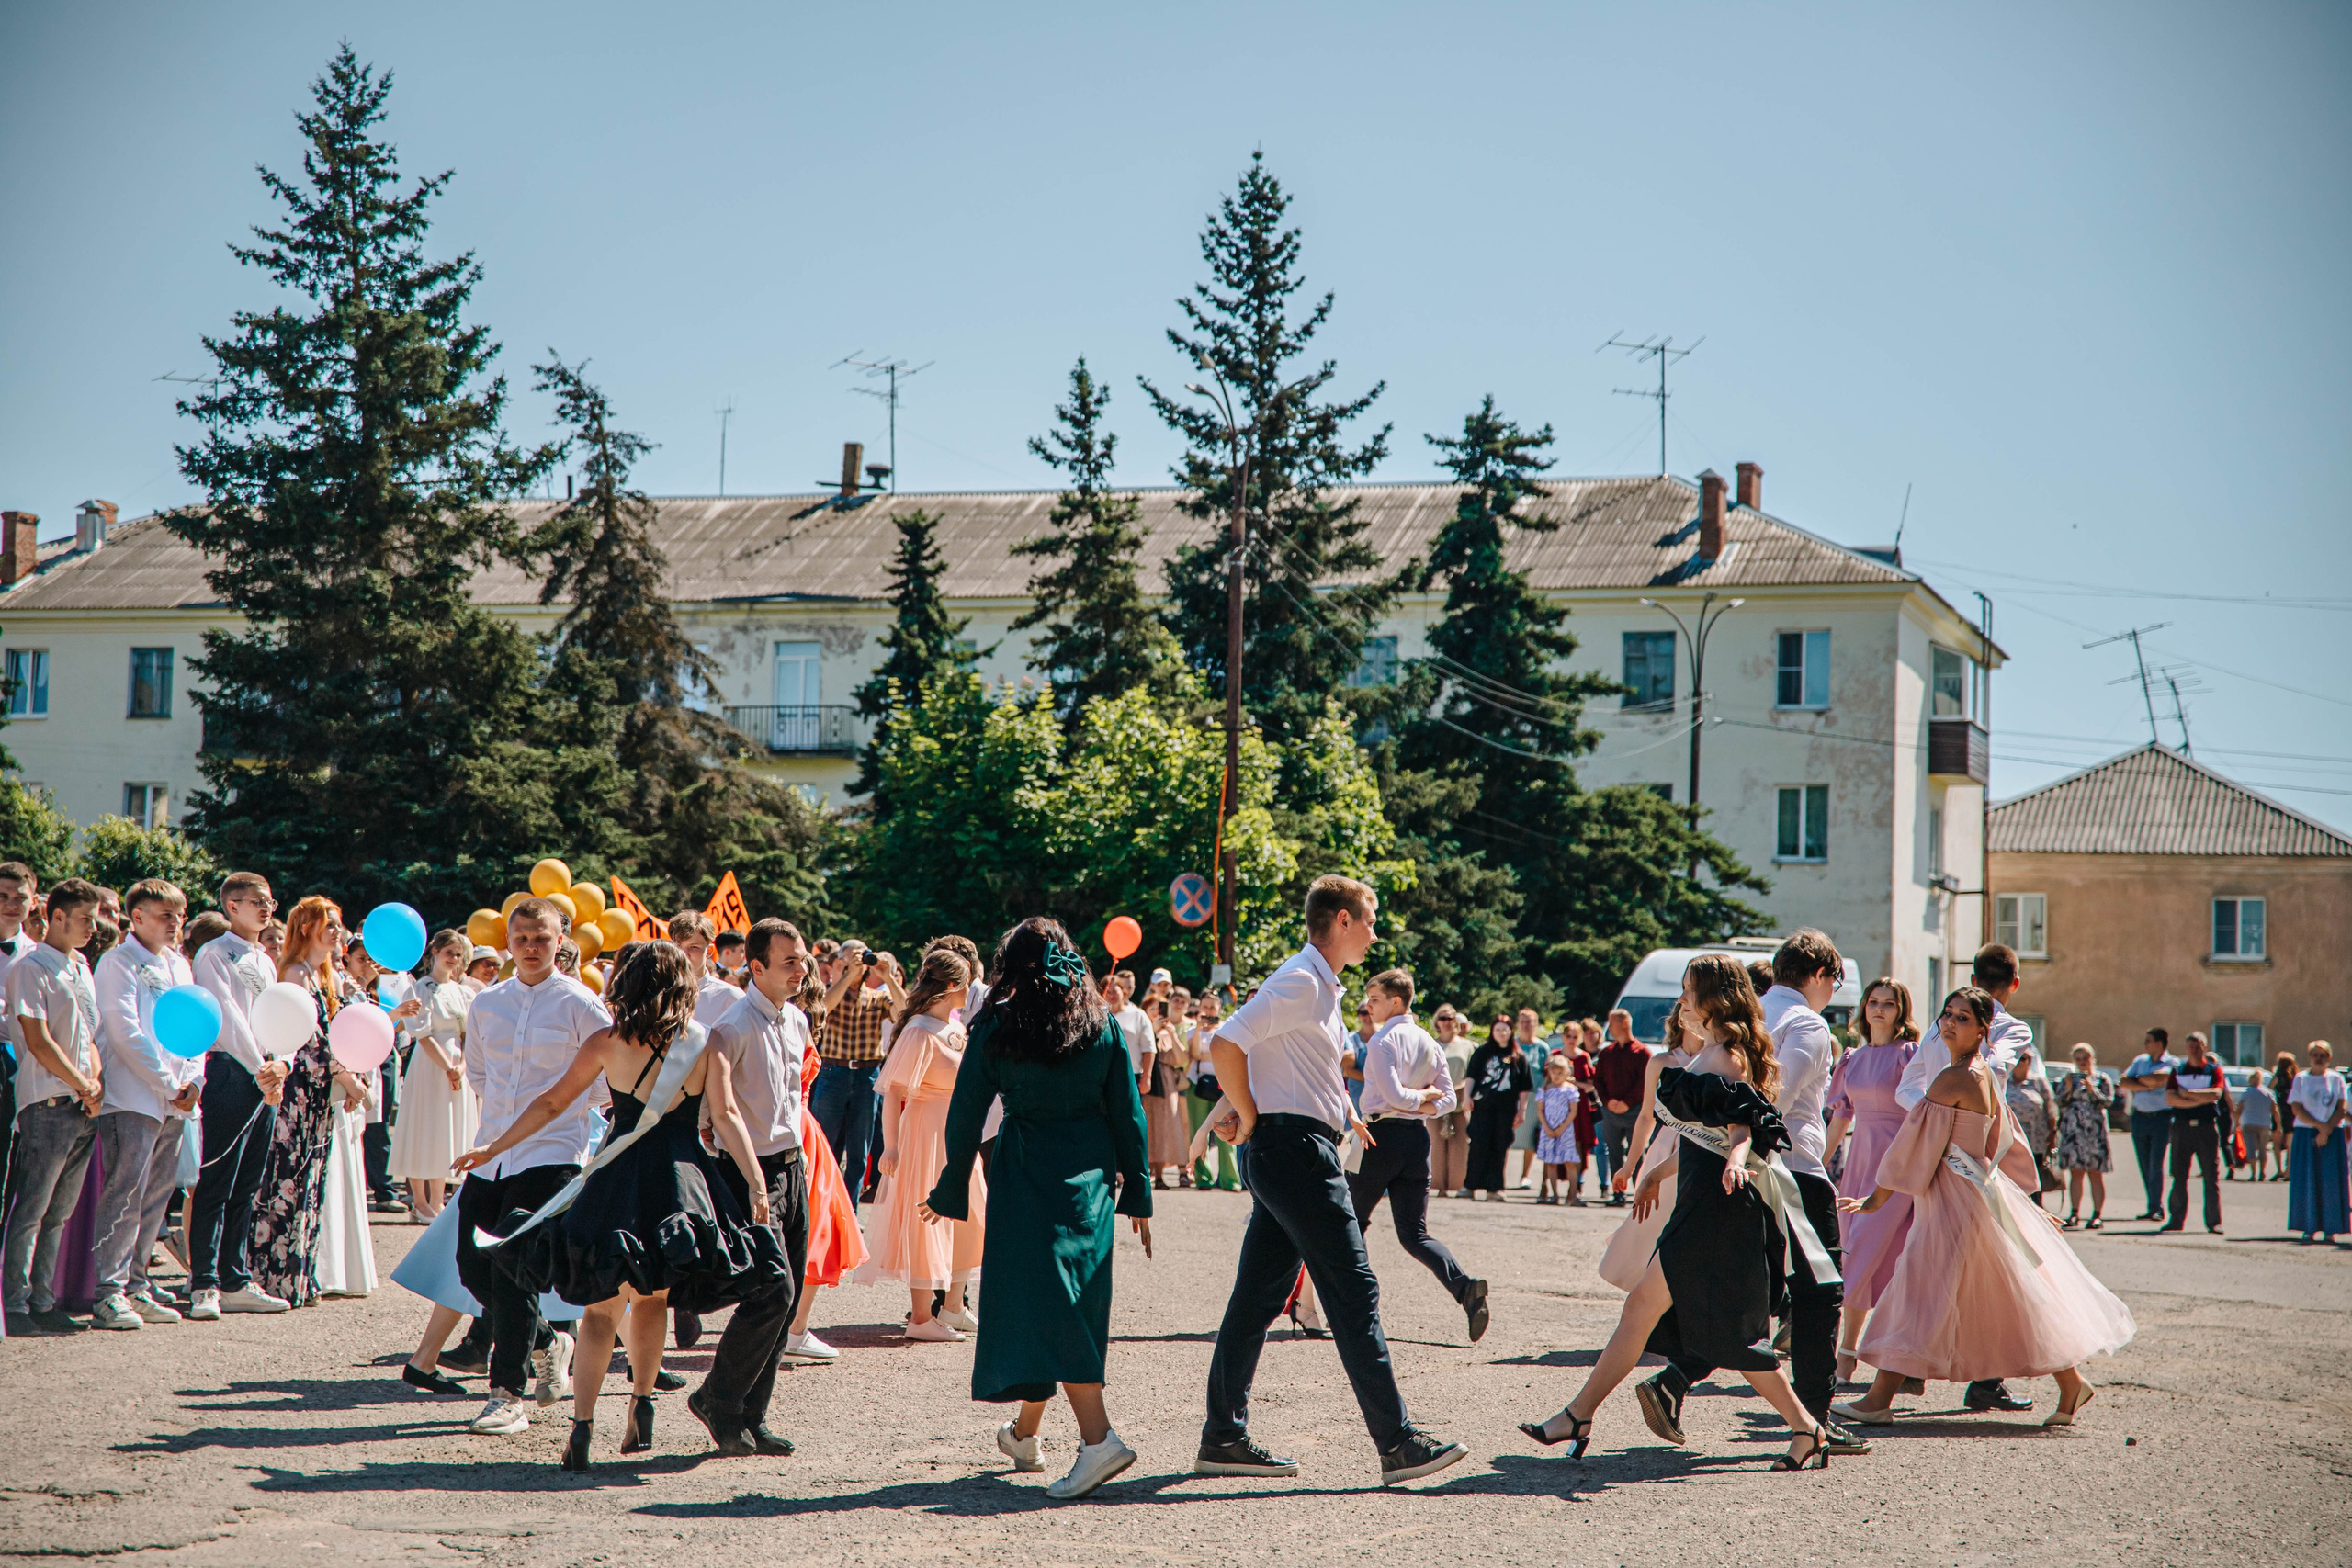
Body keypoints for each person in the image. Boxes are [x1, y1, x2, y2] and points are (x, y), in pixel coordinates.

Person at [456, 940, 786, 1470]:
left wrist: (495, 1145)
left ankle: (582, 1429)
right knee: (653, 1301)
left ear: (625, 983)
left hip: (614, 1176)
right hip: (679, 1181)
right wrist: (757, 1184)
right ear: (684, 985)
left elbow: (552, 1102)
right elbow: (725, 1117)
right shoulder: (705, 1044)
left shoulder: (607, 1042)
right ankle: (641, 1404)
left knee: (599, 1312)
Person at [1197, 874, 1467, 1486]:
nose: (1375, 930)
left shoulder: (1319, 985)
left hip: (1293, 1149)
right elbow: (1225, 1040)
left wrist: (1338, 1109)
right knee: (1353, 1291)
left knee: (1258, 1298)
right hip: (1294, 1153)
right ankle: (1397, 1443)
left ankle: (1222, 1435)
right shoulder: (1300, 979)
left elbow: (1291, 1061)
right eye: (1370, 918)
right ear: (1341, 920)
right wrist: (1248, 1106)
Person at [1518, 953, 1834, 1471]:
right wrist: (1654, 1174)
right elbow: (1697, 1140)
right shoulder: (1709, 1050)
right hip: (1697, 1197)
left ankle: (1806, 1427)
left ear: (1712, 996)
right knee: (1644, 1308)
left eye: (1689, 988)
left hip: (1719, 1208)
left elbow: (1741, 1129)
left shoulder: (1731, 1056)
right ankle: (1579, 1413)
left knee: (1727, 1337)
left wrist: (1734, 1158)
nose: (1682, 998)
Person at [921, 917, 1154, 1500]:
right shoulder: (1103, 1022)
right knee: (1057, 1296)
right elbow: (1128, 1112)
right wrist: (1139, 1193)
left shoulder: (997, 1022)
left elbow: (966, 1111)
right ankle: (1025, 1435)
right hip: (1092, 1178)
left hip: (1024, 1173)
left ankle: (1099, 1440)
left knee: (1044, 1299)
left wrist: (952, 1185)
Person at [1831, 988, 2136, 1428]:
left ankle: (1879, 1398)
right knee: (2005, 1292)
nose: (1950, 1023)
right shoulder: (1978, 1074)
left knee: (1919, 1286)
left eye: (1963, 1017)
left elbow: (1917, 1142)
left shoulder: (1956, 1078)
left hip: (1954, 1198)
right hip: (1967, 1194)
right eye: (1947, 1015)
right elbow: (1996, 1144)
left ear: (1982, 1030)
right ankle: (2071, 1383)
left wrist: (1878, 1198)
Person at [1638, 931, 1857, 1453]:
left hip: (1738, 1168)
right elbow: (1766, 1106)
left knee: (1756, 1294)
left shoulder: (1750, 1014)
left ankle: (1674, 1380)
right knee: (1818, 1294)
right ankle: (1815, 1419)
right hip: (1791, 1171)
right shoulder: (1806, 1023)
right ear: (1823, 976)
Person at [455, 897, 613, 1438]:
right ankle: (549, 1341)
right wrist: (498, 1133)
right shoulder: (487, 1004)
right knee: (472, 1267)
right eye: (521, 937)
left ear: (561, 939)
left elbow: (600, 1085)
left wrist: (553, 1123)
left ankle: (506, 1395)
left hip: (551, 1155)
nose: (530, 947)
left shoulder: (582, 1005)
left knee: (514, 1268)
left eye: (541, 938)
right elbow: (477, 1072)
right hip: (490, 1153)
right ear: (507, 940)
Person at [692, 917, 818, 1456]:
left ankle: (749, 1414)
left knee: (786, 1303)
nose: (802, 969)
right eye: (790, 961)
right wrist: (755, 1183)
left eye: (804, 959)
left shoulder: (797, 1021)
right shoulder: (731, 1026)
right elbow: (718, 1112)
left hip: (793, 1167)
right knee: (771, 1291)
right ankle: (717, 1401)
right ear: (757, 967)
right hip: (750, 1175)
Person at [1897, 943, 2035, 1415]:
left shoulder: (1951, 1025)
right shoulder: (1995, 1028)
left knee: (1968, 1262)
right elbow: (1991, 1072)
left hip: (1958, 1149)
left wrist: (1932, 1117)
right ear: (2014, 983)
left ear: (1975, 975)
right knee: (1972, 1263)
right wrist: (1941, 1119)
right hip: (1964, 1151)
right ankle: (1913, 1364)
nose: (1953, 1023)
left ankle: (1922, 1366)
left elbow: (1910, 1087)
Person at [85, 879, 205, 1329]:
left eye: (179, 915)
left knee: (156, 1196)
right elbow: (124, 1030)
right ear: (136, 918)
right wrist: (167, 1082)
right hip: (132, 1096)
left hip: (175, 1101)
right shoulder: (118, 962)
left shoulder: (180, 965)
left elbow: (197, 1027)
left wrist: (193, 1079)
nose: (175, 924)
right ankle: (108, 1292)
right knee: (124, 1194)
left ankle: (138, 1284)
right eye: (164, 915)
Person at [1346, 968, 1486, 1340]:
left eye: (1374, 999)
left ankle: (1358, 1308)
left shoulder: (1381, 1041)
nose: (1368, 1006)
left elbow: (1395, 1097)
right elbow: (1449, 1100)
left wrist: (1417, 1100)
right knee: (1415, 1234)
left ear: (1395, 1001)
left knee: (1349, 1221)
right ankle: (1465, 1288)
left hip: (1378, 1138)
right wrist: (1425, 1103)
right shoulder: (1427, 1039)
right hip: (1415, 1141)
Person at [249, 896, 370, 1308]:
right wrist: (347, 1080)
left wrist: (349, 1080)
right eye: (330, 924)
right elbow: (309, 1041)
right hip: (297, 1089)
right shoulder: (294, 973)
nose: (338, 932)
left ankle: (301, 1274)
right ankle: (275, 1274)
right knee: (287, 1177)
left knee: (311, 1181)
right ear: (307, 928)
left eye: (339, 925)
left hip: (319, 1093)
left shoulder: (326, 976)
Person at [858, 949, 985, 1338]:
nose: (972, 989)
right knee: (925, 1218)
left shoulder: (955, 1026)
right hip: (925, 1131)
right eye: (966, 982)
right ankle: (920, 1318)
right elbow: (894, 1094)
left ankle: (952, 1307)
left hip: (956, 1130)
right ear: (950, 986)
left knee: (973, 1214)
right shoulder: (917, 1031)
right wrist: (891, 1148)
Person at [186, 872, 294, 1319]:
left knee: (248, 1185)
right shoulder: (215, 954)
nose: (266, 908)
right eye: (256, 901)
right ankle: (204, 1284)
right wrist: (260, 1068)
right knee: (217, 1181)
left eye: (269, 900)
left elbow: (279, 1015)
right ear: (232, 906)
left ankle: (235, 1279)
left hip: (264, 1076)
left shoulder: (265, 959)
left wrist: (280, 1062)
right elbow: (226, 1016)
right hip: (232, 1073)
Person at [3, 877, 107, 1335]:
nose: (93, 927)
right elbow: (37, 1038)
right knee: (32, 1208)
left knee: (58, 1212)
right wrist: (82, 1082)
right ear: (56, 917)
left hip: (82, 1101)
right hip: (47, 1099)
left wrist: (95, 1083)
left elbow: (89, 1034)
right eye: (85, 918)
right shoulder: (30, 966)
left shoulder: (81, 966)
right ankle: (15, 1304)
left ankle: (44, 1300)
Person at [1822, 977, 1920, 1384]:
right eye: (1874, 1002)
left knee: (1881, 1259)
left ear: (1901, 1011)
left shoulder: (1909, 1054)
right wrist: (1821, 1164)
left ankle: (1850, 1355)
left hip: (1898, 1164)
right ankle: (1904, 1363)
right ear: (1863, 1008)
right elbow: (1841, 1116)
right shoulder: (1852, 1058)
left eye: (1889, 1004)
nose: (1879, 1009)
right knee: (1861, 1257)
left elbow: (1922, 1115)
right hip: (1859, 1164)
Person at [1598, 997, 1696, 1292]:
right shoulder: (1660, 1062)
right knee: (1651, 1226)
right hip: (1664, 1147)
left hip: (1703, 1148)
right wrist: (1629, 1166)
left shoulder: (1722, 1057)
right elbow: (1645, 1117)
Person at [390, 931, 478, 1222]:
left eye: (458, 954)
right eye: (448, 952)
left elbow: (467, 1034)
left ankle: (437, 1200)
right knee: (423, 1127)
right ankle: (419, 1201)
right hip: (430, 1066)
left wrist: (461, 1067)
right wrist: (447, 1067)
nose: (453, 959)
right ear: (435, 953)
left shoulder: (463, 991)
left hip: (456, 1065)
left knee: (445, 1130)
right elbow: (422, 1034)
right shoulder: (420, 989)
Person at [807, 941, 901, 1203]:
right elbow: (823, 1009)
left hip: (867, 1076)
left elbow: (905, 1013)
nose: (858, 964)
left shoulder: (879, 997)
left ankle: (849, 1211)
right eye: (850, 959)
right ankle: (820, 1209)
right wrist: (849, 975)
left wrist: (888, 977)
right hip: (833, 1072)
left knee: (859, 1153)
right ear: (839, 962)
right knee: (824, 1146)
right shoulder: (828, 992)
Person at [2160, 1032, 2226, 1233]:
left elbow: (2215, 1094)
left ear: (2205, 1047)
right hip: (2182, 1127)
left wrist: (2188, 1094)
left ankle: (2213, 1221)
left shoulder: (2213, 1070)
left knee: (2210, 1176)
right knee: (2179, 1175)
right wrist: (2199, 1099)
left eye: (2198, 1046)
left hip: (2206, 1127)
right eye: (2191, 1046)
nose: (2194, 1050)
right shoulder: (2178, 1070)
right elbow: (2171, 1099)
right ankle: (2176, 1219)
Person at [0, 862, 40, 1193]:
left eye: (20, 897)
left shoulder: (38, 957)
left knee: (9, 1159)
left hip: (15, 1063)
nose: (12, 904)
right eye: (2, 896)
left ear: (34, 902)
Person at [1464, 1015, 1531, 1201]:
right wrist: (1466, 1097)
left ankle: (1496, 1188)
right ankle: (1470, 1185)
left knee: (1500, 1146)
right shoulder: (1482, 1052)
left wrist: (1522, 1110)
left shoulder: (1518, 1056)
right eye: (1498, 1029)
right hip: (1482, 1106)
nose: (1501, 1033)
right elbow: (1471, 1077)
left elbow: (1525, 1087)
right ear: (1492, 1031)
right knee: (1478, 1145)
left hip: (1506, 1109)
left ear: (1511, 1031)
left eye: (1505, 1029)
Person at [2285, 1041, 2346, 1243]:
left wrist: (2327, 1129)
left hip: (2332, 1134)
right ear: (2309, 1057)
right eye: (2315, 1055)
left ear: (2329, 1058)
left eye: (2323, 1055)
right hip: (2306, 1133)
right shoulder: (2301, 1079)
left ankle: (2331, 1228)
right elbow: (2296, 1106)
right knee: (2307, 1179)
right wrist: (2319, 1127)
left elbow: (2341, 1106)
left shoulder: (2337, 1079)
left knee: (2330, 1182)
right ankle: (2308, 1227)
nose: (2318, 1059)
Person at [2120, 1028, 2180, 1224]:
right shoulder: (2141, 1061)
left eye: (2149, 1040)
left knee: (2156, 1164)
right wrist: (2146, 1084)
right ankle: (2152, 1204)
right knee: (2145, 1164)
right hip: (2140, 1118)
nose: (2145, 1044)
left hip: (2161, 1118)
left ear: (2160, 1043)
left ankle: (2157, 1207)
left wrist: (2140, 1081)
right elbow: (2123, 1081)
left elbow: (2160, 1079)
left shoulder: (2172, 1063)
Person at [1592, 1010, 1647, 1208]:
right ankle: (1618, 1194)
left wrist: (1628, 1102)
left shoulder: (1642, 1053)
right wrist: (1607, 1101)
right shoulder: (1607, 1053)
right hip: (1611, 1112)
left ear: (1624, 1023)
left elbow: (1645, 1083)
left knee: (1637, 1153)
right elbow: (1597, 1080)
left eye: (1612, 1023)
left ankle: (1640, 1193)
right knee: (1614, 1153)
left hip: (1635, 1112)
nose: (1609, 1027)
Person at [1186, 992, 1240, 1193]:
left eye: (1212, 1007)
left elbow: (1229, 1055)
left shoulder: (1228, 1028)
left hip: (1223, 1085)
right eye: (1205, 1006)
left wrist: (1206, 1054)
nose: (1209, 1010)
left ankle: (1231, 1179)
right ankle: (1203, 1178)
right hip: (1198, 1084)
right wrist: (1200, 1029)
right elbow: (1193, 1054)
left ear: (1219, 1008)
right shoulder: (1193, 1031)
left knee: (1227, 1130)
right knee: (1198, 1129)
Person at [2055, 1044, 2114, 1228]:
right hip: (2074, 1133)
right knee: (2076, 1174)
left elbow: (2107, 1101)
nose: (2082, 1063)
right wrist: (2067, 1088)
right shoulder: (2069, 1079)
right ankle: (2074, 1213)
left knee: (2095, 1175)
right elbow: (2060, 1102)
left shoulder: (2102, 1078)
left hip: (2094, 1134)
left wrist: (2091, 1088)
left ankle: (2097, 1214)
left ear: (2092, 1059)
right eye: (2078, 1059)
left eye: (2085, 1058)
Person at [1427, 1005, 1474, 1200]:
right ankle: (1438, 1186)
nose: (1447, 1022)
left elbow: (1472, 1073)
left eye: (1450, 1018)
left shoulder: (1468, 1046)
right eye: (1443, 1018)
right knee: (1435, 1145)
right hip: (1434, 1102)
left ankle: (1455, 1185)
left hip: (1459, 1101)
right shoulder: (1429, 1044)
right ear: (1437, 1021)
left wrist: (1459, 1088)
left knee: (1460, 1144)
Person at [1146, 997, 1191, 1187]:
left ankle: (1181, 1170)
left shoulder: (1169, 1031)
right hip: (1150, 1080)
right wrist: (1153, 1032)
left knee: (1171, 1126)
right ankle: (1157, 1174)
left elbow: (1181, 1059)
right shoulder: (1146, 1028)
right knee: (1152, 1126)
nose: (1157, 1013)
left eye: (1160, 1009)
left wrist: (1171, 1034)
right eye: (1153, 1009)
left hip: (1168, 1081)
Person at [2007, 1050, 2059, 1210]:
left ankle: (2036, 1211)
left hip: (2035, 1139)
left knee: (2034, 1180)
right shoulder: (2004, 1082)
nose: (2020, 1062)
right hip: (2010, 1139)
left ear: (2030, 1061)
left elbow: (2051, 1110)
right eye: (2017, 1059)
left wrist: (2052, 1135)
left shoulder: (2038, 1082)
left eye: (2024, 1058)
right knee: (2012, 1177)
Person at [671, 911, 740, 1030]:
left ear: (709, 951)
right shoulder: (657, 994)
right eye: (677, 946)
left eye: (694, 947)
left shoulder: (730, 998)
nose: (684, 954)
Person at [1508, 1008, 1548, 1191]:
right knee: (1507, 1136)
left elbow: (1547, 1074)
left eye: (1530, 1021)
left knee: (1530, 1138)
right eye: (1523, 1021)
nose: (1526, 1025)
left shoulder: (1542, 1047)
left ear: (1536, 1024)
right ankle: (1501, 1175)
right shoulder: (1511, 1045)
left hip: (1534, 1097)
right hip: (1511, 1096)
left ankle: (1525, 1175)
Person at [1532, 1055, 1577, 1204]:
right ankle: (1554, 1194)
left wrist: (1562, 1128)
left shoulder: (1570, 1090)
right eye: (1554, 1073)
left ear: (1566, 1073)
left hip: (1565, 1130)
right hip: (1548, 1130)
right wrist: (1547, 1127)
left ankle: (1572, 1194)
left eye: (1560, 1073)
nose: (1556, 1076)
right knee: (1550, 1162)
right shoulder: (1544, 1090)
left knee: (1569, 1161)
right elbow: (1540, 1110)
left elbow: (1573, 1111)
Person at [2234, 1064, 2278, 1183]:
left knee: (2251, 1148)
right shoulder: (2268, 1093)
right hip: (2265, 1124)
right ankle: (2262, 1172)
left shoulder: (2246, 1093)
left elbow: (2238, 1110)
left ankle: (2253, 1173)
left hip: (2248, 1123)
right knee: (2263, 1149)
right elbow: (2274, 1110)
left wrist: (2236, 1123)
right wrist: (2278, 1126)